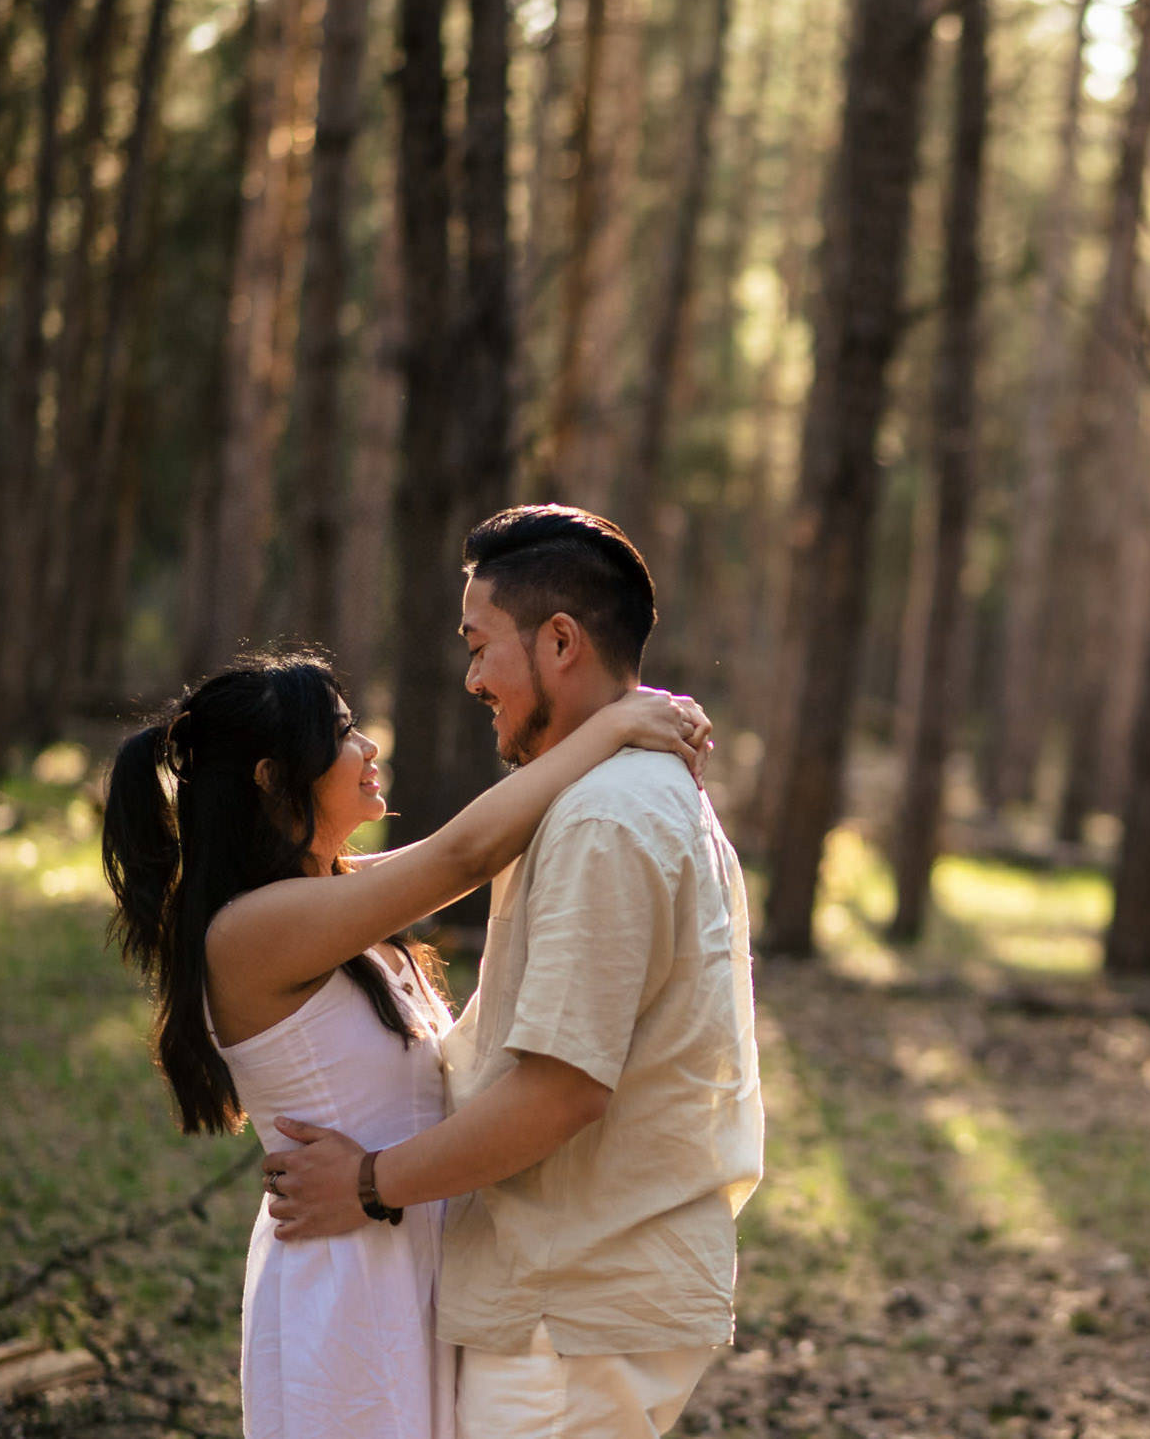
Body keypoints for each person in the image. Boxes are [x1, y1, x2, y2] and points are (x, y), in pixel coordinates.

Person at [102, 647, 712, 1439]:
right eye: (344, 732)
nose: (369, 747)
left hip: (404, 1245)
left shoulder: (329, 898)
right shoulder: (253, 930)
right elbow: (464, 854)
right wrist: (619, 721)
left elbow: (491, 849)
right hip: (347, 1279)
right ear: (270, 776)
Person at [262, 505, 766, 1439]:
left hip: (573, 1302)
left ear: (561, 641)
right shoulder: (614, 792)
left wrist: (369, 1182)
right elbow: (417, 873)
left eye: (480, 643)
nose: (471, 677)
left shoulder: (605, 819)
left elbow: (562, 1090)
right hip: (572, 1290)